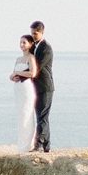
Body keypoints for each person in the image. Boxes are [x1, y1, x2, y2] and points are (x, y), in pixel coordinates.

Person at [9, 34, 37, 149]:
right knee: (20, 114)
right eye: (20, 42)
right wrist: (12, 77)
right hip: (18, 88)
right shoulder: (18, 59)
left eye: (24, 42)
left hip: (26, 88)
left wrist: (18, 73)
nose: (22, 45)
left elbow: (32, 73)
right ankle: (21, 143)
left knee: (27, 113)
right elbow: (13, 73)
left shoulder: (31, 58)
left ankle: (28, 144)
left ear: (30, 44)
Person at [29, 20, 54, 152]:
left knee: (42, 117)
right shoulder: (34, 47)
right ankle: (47, 146)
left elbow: (37, 68)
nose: (33, 36)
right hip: (36, 88)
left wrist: (22, 75)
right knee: (41, 116)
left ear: (41, 32)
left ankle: (39, 144)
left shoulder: (46, 48)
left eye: (35, 33)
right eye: (32, 33)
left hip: (45, 87)